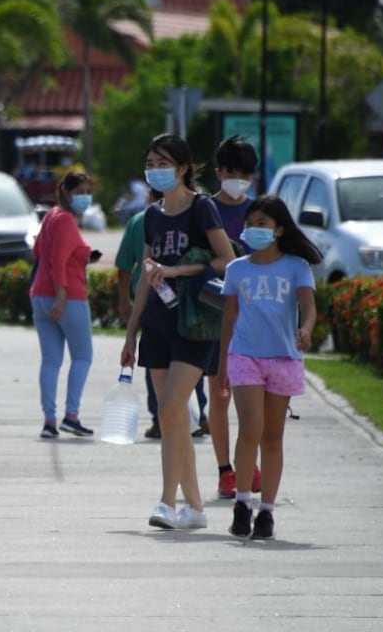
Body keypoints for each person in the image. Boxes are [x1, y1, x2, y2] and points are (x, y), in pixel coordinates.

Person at [120, 133, 237, 530]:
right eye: (150, 163)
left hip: (195, 322)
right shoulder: (151, 216)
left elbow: (227, 260)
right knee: (173, 418)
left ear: (184, 168)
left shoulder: (203, 209)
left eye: (162, 163)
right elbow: (144, 277)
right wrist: (130, 333)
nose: (155, 170)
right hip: (158, 321)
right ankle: (196, 508)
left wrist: (179, 270)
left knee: (172, 408)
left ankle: (167, 502)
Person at [217, 195, 322, 540]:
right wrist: (222, 367)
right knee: (250, 427)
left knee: (272, 437)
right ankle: (243, 503)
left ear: (278, 229)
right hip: (244, 356)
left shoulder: (296, 267)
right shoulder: (237, 269)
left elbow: (308, 306)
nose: (255, 229)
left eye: (263, 223)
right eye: (251, 223)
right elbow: (229, 318)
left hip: (284, 357)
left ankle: (267, 512)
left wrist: (305, 330)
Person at [207, 134, 263, 499]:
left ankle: (248, 462)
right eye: (231, 171)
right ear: (218, 172)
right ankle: (226, 469)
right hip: (215, 316)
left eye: (244, 173)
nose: (237, 179)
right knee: (220, 394)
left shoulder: (261, 213)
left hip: (254, 318)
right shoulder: (205, 210)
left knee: (251, 398)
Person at [31, 171, 97, 439]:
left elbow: (38, 252)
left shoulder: (50, 216)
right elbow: (59, 259)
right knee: (82, 356)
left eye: (87, 192)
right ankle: (71, 415)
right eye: (80, 192)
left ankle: (49, 421)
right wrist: (61, 293)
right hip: (68, 297)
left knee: (51, 360)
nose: (84, 197)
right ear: (67, 192)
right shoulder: (67, 220)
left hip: (39, 294)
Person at [115, 188, 162, 438]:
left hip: (150, 303)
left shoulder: (139, 220)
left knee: (155, 358)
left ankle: (160, 418)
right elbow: (126, 267)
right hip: (168, 302)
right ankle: (196, 414)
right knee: (184, 359)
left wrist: (124, 301)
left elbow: (124, 268)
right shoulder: (143, 221)